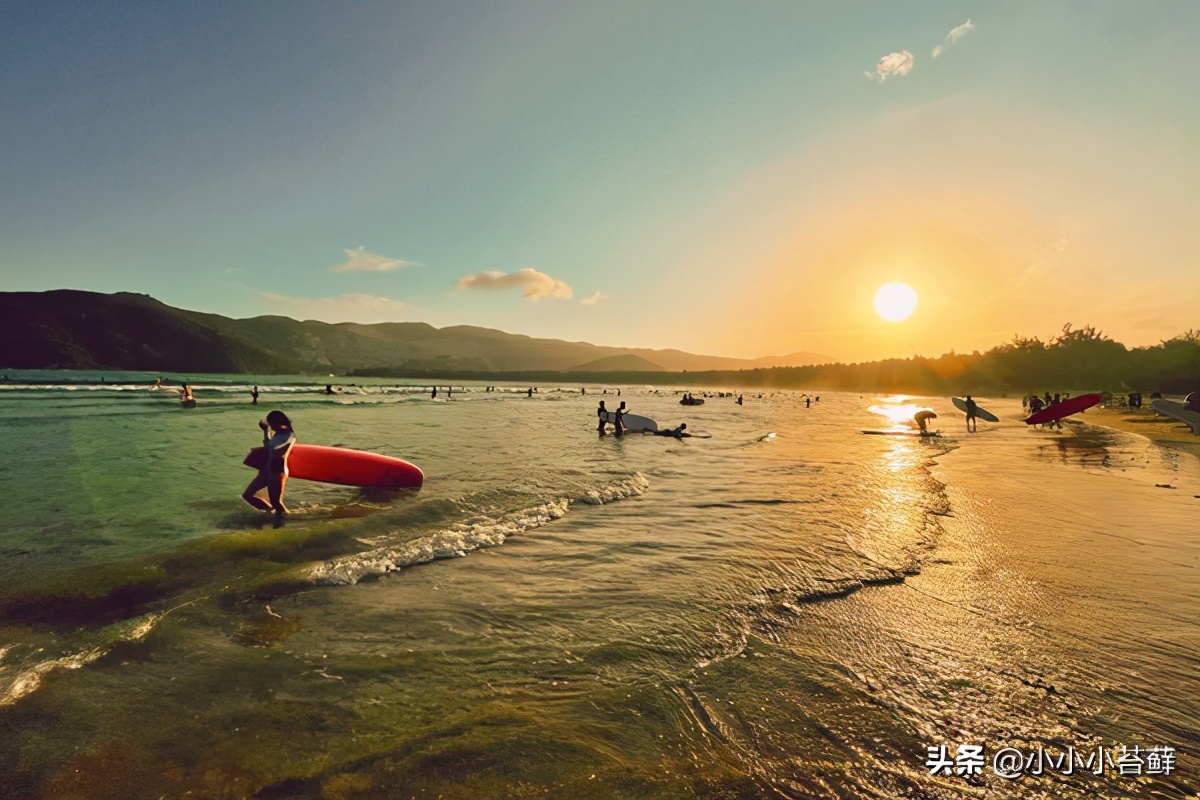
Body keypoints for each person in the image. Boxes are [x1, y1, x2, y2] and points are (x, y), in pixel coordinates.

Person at [242, 410, 296, 528]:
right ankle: (270, 512)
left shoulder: (289, 435)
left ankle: (285, 520)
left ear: (278, 422)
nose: (270, 426)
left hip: (277, 469)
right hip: (267, 468)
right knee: (247, 495)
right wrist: (265, 432)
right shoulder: (277, 434)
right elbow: (269, 446)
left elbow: (282, 447)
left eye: (271, 423)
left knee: (276, 502)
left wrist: (274, 448)